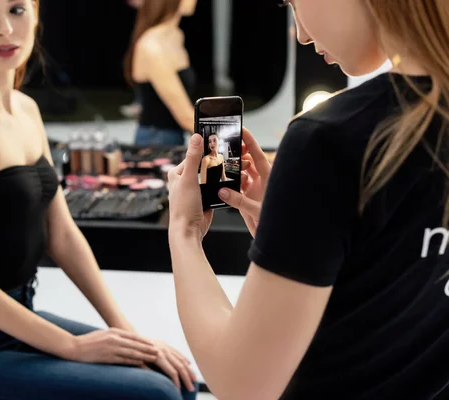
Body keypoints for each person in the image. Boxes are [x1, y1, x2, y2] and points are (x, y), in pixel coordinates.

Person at [0, 1, 198, 399]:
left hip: (16, 321)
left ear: (36, 14)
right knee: (157, 395)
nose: (5, 29)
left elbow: (63, 235)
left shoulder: (26, 111)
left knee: (172, 378)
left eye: (16, 10)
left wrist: (126, 333)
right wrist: (73, 346)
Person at [166, 0, 449, 399]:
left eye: (294, 3)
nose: (300, 33)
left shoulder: (330, 141)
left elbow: (243, 385)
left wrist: (184, 232)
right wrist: (301, 240)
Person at [123, 0, 197, 147]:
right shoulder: (152, 46)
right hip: (156, 142)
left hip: (174, 136)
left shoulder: (175, 35)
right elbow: (185, 116)